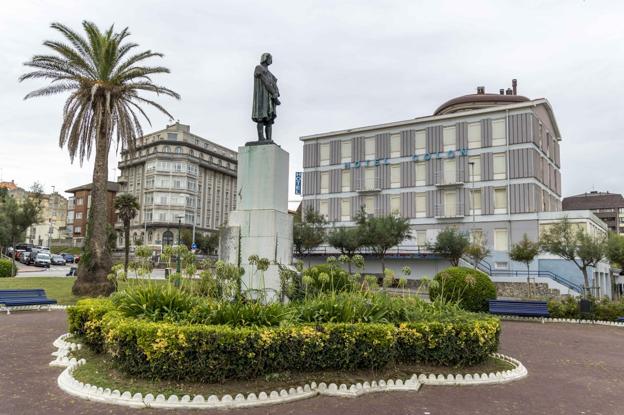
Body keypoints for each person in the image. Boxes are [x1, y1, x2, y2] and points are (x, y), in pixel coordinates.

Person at [252, 53, 280, 141]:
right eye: (270, 58)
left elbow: (275, 86)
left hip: (269, 98)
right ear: (265, 58)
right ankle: (261, 138)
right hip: (262, 96)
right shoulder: (259, 68)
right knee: (261, 116)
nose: (271, 60)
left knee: (269, 119)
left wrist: (276, 94)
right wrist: (274, 94)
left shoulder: (271, 74)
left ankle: (269, 139)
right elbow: (265, 82)